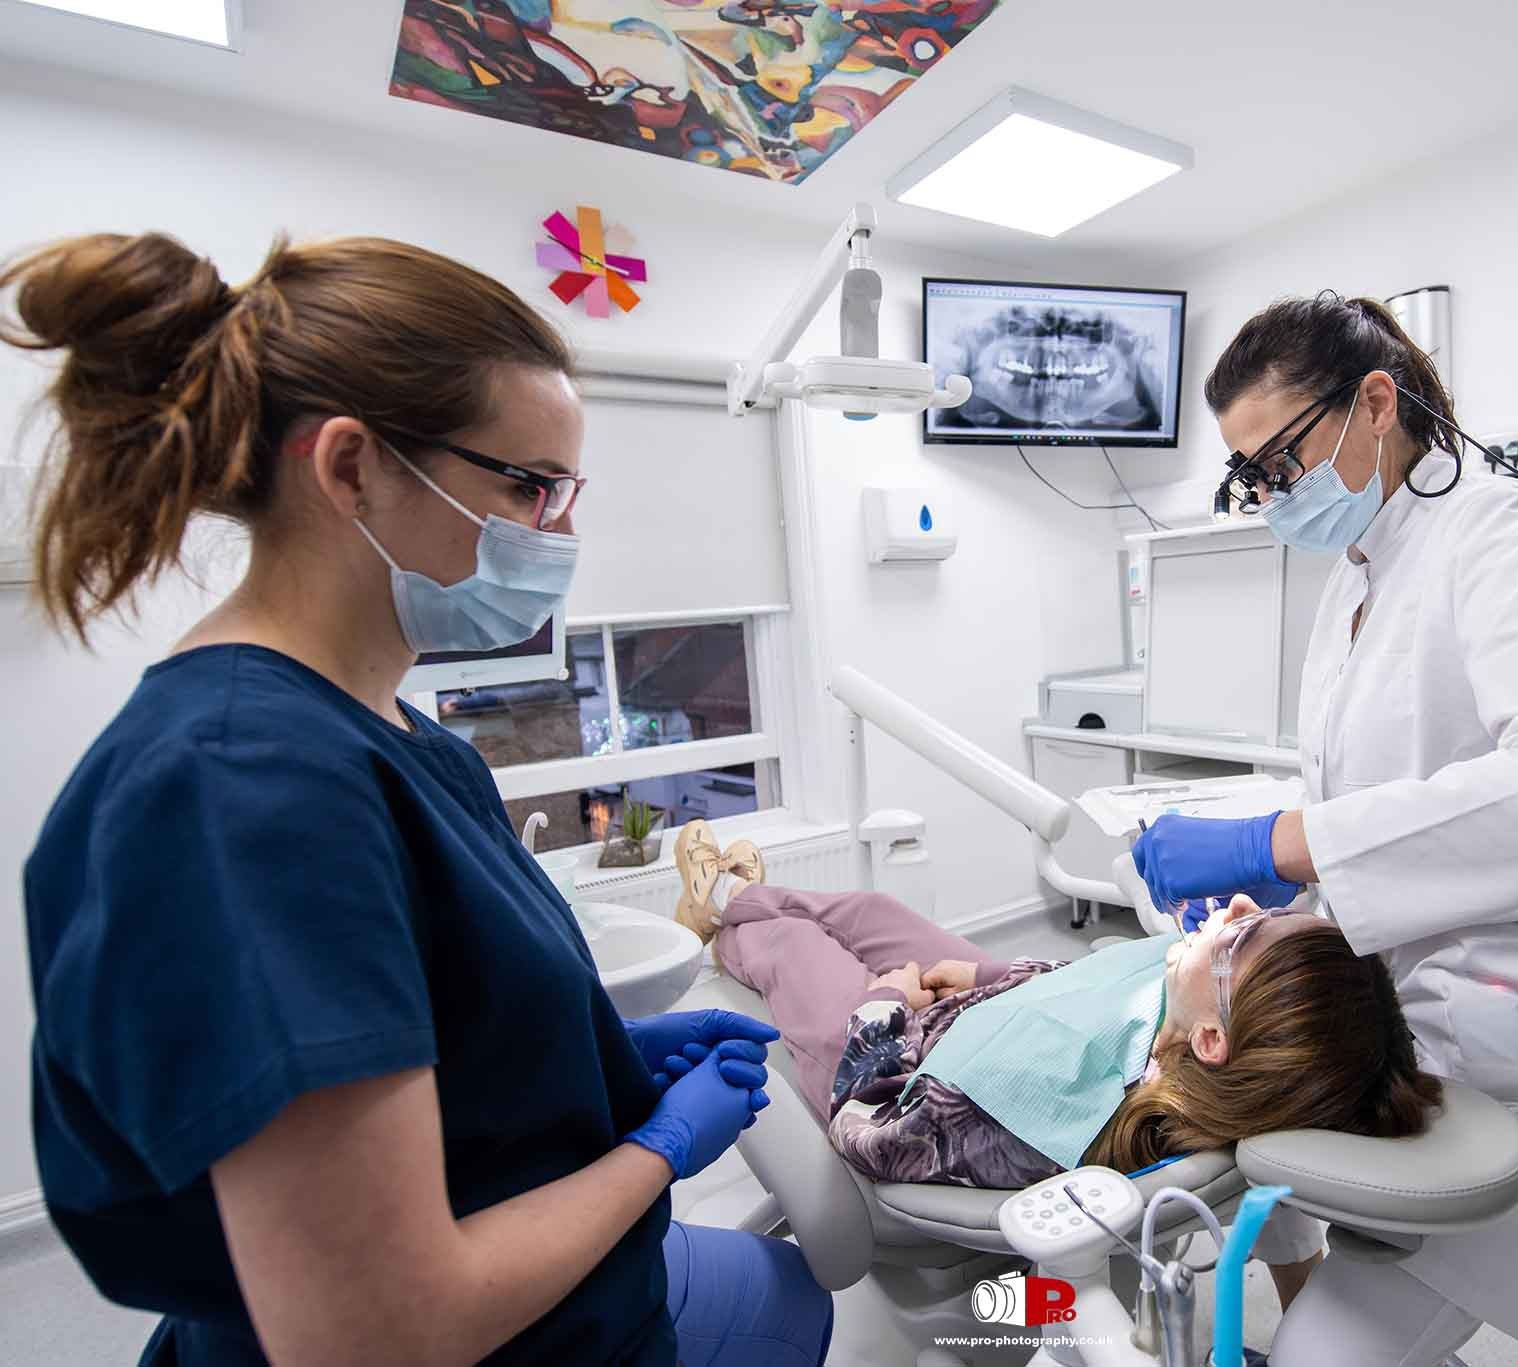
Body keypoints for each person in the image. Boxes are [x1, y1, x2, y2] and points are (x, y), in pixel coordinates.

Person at [7, 231, 831, 1366]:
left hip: (585, 1306)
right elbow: (374, 1333)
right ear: (350, 467)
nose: (560, 534)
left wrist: (599, 1053)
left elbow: (428, 1033)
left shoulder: (404, 738)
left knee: (794, 1291)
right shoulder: (241, 787)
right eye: (527, 485)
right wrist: (655, 1147)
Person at [1131, 292, 1518, 1362]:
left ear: (1373, 401)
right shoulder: (1354, 576)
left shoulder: (1494, 528)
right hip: (1428, 993)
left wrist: (1279, 843)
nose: (1269, 495)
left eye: (1278, 460)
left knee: (1322, 1347)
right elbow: (1385, 803)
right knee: (1264, 1163)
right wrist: (1290, 900)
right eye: (1249, 475)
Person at [666, 828, 1439, 1189]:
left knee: (796, 948)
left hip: (882, 1064)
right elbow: (1079, 993)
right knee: (867, 905)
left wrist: (886, 1001)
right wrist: (985, 972)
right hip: (972, 1011)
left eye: (1246, 934)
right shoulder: (1177, 1018)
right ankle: (732, 894)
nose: (1238, 902)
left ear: (1212, 1038)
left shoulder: (1047, 1116)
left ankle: (725, 917)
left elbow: (870, 1131)